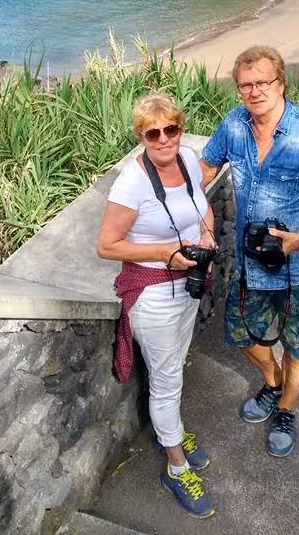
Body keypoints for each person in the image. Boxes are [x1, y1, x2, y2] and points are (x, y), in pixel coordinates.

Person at [199, 45, 299, 458]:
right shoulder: (233, 126)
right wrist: (167, 193)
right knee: (240, 333)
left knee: (298, 345)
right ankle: (272, 383)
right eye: (245, 86)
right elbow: (206, 169)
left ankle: (286, 408)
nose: (254, 92)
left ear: (281, 82)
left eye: (263, 82)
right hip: (252, 265)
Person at [97, 93, 218, 518]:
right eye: (153, 132)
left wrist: (207, 234)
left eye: (172, 129)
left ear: (181, 129)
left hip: (185, 288)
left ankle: (173, 432)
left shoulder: (187, 159)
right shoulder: (130, 184)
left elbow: (202, 207)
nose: (164, 139)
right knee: (166, 381)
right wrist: (166, 250)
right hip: (152, 296)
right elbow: (107, 245)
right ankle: (175, 467)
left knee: (171, 371)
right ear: (141, 136)